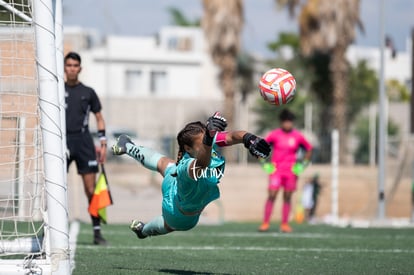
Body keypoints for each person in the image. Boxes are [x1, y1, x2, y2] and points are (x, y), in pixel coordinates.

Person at [111, 112, 271, 239]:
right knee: (168, 224)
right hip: (178, 213)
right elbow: (202, 164)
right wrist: (208, 139)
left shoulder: (208, 141)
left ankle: (127, 146)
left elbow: (232, 136)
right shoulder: (188, 167)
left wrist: (249, 139)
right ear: (188, 148)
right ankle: (143, 230)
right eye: (202, 142)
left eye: (207, 139)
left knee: (164, 164)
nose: (207, 143)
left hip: (175, 184)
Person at [64, 52, 108, 245]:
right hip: (61, 141)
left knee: (91, 190)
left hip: (83, 142)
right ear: (64, 68)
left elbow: (99, 117)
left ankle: (97, 232)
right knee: (54, 189)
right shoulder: (55, 90)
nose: (72, 68)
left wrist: (103, 142)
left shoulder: (88, 92)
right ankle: (50, 232)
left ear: (80, 69)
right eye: (69, 65)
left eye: (75, 65)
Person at [258, 109, 313, 233]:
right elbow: (261, 147)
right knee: (272, 195)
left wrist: (302, 165)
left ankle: (284, 224)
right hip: (276, 171)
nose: (288, 124)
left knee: (287, 197)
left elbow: (309, 149)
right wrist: (264, 163)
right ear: (281, 122)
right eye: (286, 121)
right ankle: (265, 223)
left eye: (290, 121)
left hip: (291, 172)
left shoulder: (297, 136)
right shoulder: (274, 135)